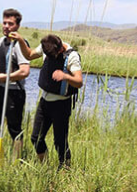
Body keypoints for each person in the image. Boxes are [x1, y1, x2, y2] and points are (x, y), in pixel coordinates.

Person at [10, 33, 83, 168]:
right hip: (44, 102)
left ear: (60, 50)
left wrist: (65, 76)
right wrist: (21, 39)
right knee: (36, 138)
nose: (48, 58)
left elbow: (79, 82)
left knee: (60, 141)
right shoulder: (47, 46)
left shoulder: (72, 57)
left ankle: (66, 170)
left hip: (61, 105)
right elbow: (29, 55)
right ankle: (45, 167)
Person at [0, 8, 31, 161]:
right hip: (0, 88)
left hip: (15, 91)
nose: (6, 26)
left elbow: (24, 71)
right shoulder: (2, 41)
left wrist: (6, 77)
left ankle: (16, 161)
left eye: (10, 24)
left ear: (17, 26)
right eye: (4, 23)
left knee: (14, 128)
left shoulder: (20, 45)